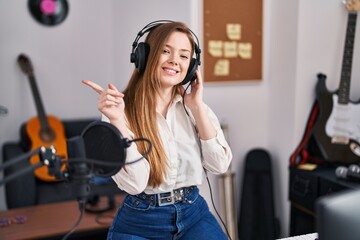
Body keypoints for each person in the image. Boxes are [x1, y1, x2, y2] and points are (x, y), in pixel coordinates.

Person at [82, 20, 233, 240]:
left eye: (183, 56)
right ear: (144, 55)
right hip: (140, 222)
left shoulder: (195, 108)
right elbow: (135, 184)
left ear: (192, 66)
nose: (174, 61)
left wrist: (197, 107)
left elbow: (219, 165)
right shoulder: (118, 113)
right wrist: (117, 121)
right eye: (165, 51)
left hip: (194, 214)